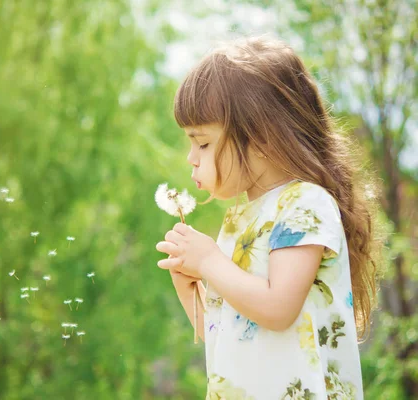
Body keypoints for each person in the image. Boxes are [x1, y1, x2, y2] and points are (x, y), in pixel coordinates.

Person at [155, 35, 383, 399]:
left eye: (203, 143)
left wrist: (211, 261)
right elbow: (233, 333)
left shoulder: (305, 204)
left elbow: (278, 308)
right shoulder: (239, 221)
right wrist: (190, 290)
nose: (191, 158)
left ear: (261, 137)